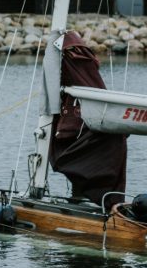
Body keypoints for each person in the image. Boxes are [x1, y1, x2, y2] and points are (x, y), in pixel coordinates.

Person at [47, 31, 127, 205]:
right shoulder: (82, 66)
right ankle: (88, 197)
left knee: (105, 146)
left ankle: (85, 198)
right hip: (77, 128)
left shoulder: (79, 65)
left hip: (82, 128)